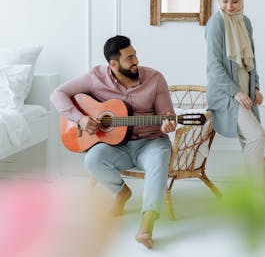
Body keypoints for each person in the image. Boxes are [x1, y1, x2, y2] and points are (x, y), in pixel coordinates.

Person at [50, 35, 176, 249]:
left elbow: (167, 114)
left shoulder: (155, 78)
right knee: (93, 159)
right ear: (113, 64)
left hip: (151, 142)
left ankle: (147, 225)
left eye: (135, 55)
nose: (136, 61)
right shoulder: (95, 77)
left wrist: (168, 123)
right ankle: (121, 192)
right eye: (129, 58)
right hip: (118, 146)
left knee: (159, 160)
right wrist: (80, 119)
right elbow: (57, 94)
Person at [204, 0, 265, 202]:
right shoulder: (216, 23)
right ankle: (258, 196)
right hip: (228, 94)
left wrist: (255, 87)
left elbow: (251, 59)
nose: (229, 7)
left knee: (253, 144)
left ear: (242, 0)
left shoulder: (245, 22)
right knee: (256, 136)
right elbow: (214, 66)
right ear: (219, 0)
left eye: (235, 1)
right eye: (225, 1)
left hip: (245, 90)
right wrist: (236, 92)